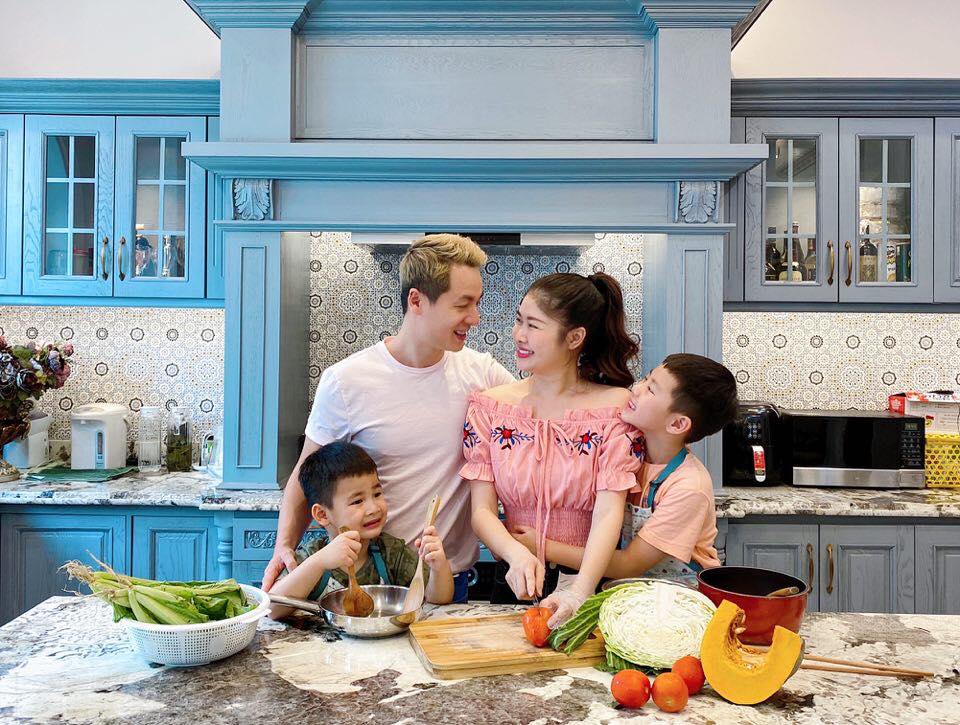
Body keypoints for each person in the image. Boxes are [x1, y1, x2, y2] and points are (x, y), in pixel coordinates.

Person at [261, 234, 514, 602]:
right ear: (417, 300)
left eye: (477, 303)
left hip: (446, 585)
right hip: (372, 586)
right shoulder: (346, 381)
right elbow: (306, 474)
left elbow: (543, 409)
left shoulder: (482, 373)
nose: (474, 318)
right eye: (463, 304)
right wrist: (284, 546)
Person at [461, 272, 644, 628]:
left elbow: (608, 513)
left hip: (589, 583)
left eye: (533, 325)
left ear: (574, 338)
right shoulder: (489, 408)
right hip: (514, 579)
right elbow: (481, 511)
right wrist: (516, 554)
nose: (519, 334)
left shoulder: (615, 411)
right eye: (519, 320)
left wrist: (580, 592)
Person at [512, 353, 738, 586]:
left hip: (678, 595)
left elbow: (628, 564)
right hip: (635, 589)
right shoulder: (627, 452)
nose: (636, 389)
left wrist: (542, 546)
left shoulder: (689, 487)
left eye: (651, 390)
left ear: (677, 424)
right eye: (645, 379)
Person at [268, 441, 453, 619]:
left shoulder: (391, 552)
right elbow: (272, 608)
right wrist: (319, 563)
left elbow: (438, 598)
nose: (374, 508)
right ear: (322, 514)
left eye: (377, 494)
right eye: (357, 501)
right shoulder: (312, 555)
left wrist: (439, 567)